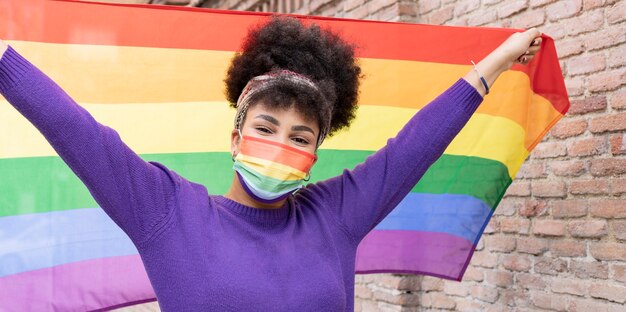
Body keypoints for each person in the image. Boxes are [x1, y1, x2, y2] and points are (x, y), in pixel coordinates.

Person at [0, 15, 541, 312]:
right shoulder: (167, 213)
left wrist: (495, 62)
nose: (280, 143)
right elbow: (76, 131)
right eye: (265, 127)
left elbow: (415, 146)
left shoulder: (336, 216)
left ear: (314, 153)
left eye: (299, 136)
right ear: (235, 137)